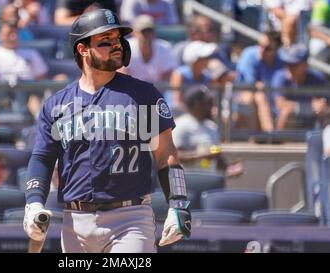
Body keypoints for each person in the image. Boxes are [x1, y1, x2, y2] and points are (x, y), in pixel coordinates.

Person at [23, 9, 191, 253]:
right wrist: (33, 203)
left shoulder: (144, 95)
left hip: (130, 218)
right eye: (106, 41)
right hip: (75, 222)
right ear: (83, 49)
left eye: (117, 40)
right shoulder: (57, 104)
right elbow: (42, 157)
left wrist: (178, 204)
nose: (116, 46)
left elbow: (166, 152)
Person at [171, 85, 243, 177]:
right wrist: (202, 155)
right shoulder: (180, 125)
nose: (212, 105)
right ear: (196, 104)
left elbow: (216, 157)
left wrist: (230, 169)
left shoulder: (212, 126)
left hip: (209, 179)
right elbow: (174, 156)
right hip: (187, 180)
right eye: (208, 102)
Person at [0, 20, 48, 113]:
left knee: (36, 101)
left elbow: (42, 79)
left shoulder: (31, 54)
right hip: (2, 98)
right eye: (9, 34)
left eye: (15, 33)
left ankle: (38, 121)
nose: (13, 37)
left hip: (30, 97)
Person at [234, 31, 284, 132]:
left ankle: (268, 136)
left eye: (268, 48)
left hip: (273, 101)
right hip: (243, 98)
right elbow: (251, 85)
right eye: (260, 45)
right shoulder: (249, 54)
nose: (262, 50)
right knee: (257, 96)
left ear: (277, 49)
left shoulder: (281, 60)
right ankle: (267, 135)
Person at [271, 44, 329, 130]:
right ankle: (280, 141)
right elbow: (281, 104)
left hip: (311, 121)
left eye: (294, 64)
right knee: (287, 112)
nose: (289, 67)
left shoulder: (317, 78)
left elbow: (326, 104)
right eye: (287, 63)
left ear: (305, 65)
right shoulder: (280, 77)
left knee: (326, 113)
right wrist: (310, 106)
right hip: (283, 121)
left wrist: (322, 106)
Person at [119, 14, 177, 83]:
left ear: (154, 32)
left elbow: (171, 73)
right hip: (131, 88)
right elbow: (122, 73)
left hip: (158, 88)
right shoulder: (126, 47)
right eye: (143, 32)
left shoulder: (165, 47)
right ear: (134, 33)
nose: (146, 35)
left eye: (149, 31)